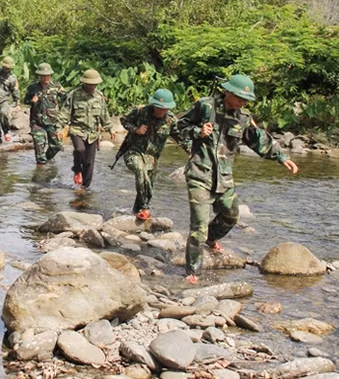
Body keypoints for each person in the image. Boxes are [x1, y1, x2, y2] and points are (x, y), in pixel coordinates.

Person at [176, 74, 299, 283]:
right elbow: (179, 127)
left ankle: (212, 238)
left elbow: (259, 139)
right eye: (240, 98)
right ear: (228, 92)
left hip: (223, 177)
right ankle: (193, 273)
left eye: (246, 100)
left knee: (231, 215)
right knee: (198, 226)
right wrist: (198, 131)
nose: (243, 102)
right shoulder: (205, 107)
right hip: (199, 174)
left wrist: (281, 157)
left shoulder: (243, 117)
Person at [118, 88, 189, 220]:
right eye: (159, 108)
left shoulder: (171, 120)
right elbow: (123, 120)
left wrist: (191, 152)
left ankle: (137, 210)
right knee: (141, 171)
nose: (161, 111)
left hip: (152, 158)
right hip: (133, 151)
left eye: (165, 109)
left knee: (148, 184)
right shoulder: (140, 111)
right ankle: (145, 208)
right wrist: (136, 129)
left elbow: (180, 138)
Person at [57, 69, 114, 189]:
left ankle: (84, 188)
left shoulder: (99, 96)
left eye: (95, 84)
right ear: (84, 83)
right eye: (90, 84)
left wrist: (110, 129)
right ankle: (77, 169)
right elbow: (65, 113)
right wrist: (59, 128)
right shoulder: (74, 95)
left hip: (93, 133)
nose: (93, 86)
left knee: (89, 163)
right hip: (77, 130)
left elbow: (104, 113)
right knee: (79, 149)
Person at [24, 62, 66, 166]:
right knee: (39, 150)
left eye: (48, 75)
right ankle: (41, 170)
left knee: (57, 146)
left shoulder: (57, 87)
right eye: (43, 76)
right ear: (39, 76)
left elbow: (66, 99)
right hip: (37, 123)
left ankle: (46, 159)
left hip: (53, 122)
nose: (46, 77)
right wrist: (32, 101)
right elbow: (25, 101)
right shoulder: (32, 88)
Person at [0, 56, 20, 143]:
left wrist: (17, 103)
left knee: (3, 113)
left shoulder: (12, 78)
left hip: (5, 100)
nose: (7, 69)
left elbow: (15, 90)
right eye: (5, 67)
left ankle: (6, 132)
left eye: (8, 68)